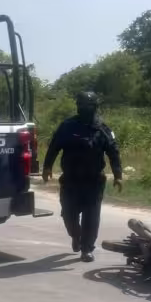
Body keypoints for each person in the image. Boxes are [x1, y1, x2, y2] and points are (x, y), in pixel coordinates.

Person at [42, 91, 123, 262]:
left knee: (91, 217)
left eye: (88, 105)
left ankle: (87, 248)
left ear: (95, 107)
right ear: (77, 106)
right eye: (81, 105)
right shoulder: (67, 126)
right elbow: (54, 147)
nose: (84, 108)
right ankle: (76, 236)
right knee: (68, 214)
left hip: (94, 181)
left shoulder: (102, 129)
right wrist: (47, 167)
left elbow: (113, 152)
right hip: (70, 180)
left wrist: (118, 175)